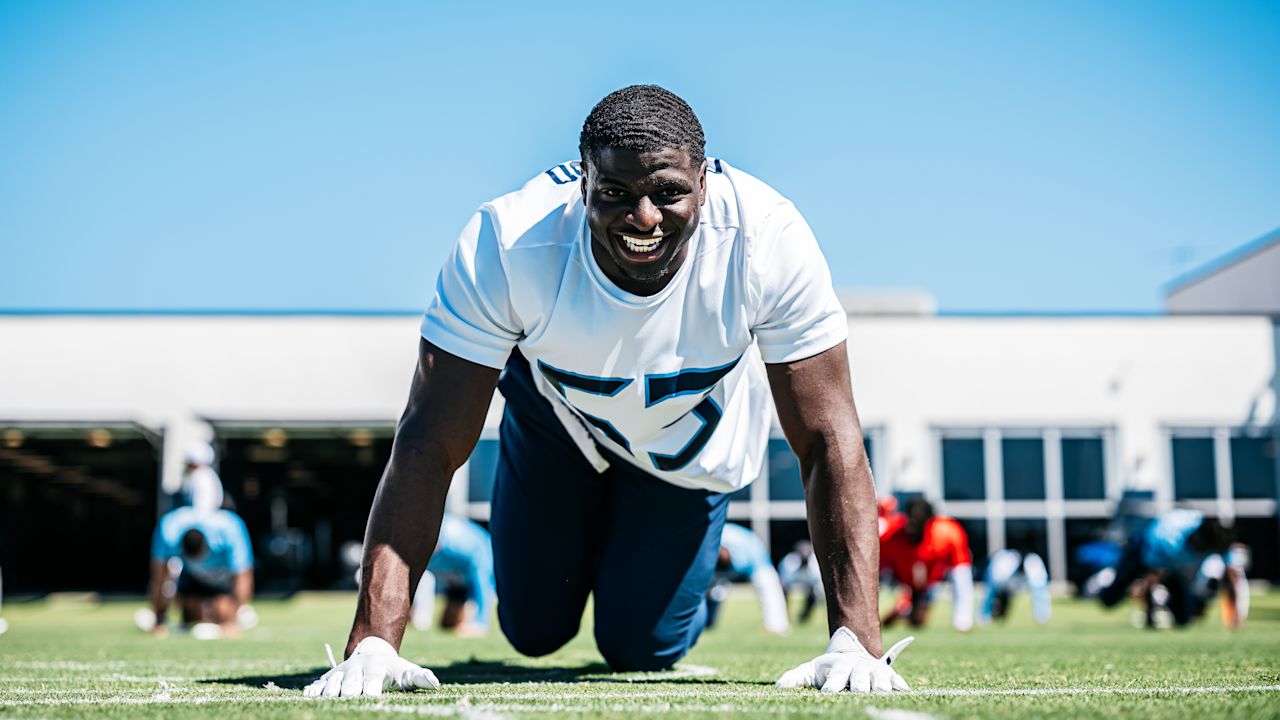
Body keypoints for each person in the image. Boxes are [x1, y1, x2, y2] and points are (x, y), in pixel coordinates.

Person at [305, 85, 910, 698]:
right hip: (561, 424)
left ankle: (687, 591)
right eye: (616, 194)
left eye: (669, 192)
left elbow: (828, 439)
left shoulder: (767, 238)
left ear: (704, 181)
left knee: (638, 649)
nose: (644, 217)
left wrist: (856, 639)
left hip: (686, 454)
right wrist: (374, 642)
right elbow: (426, 442)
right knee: (532, 630)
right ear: (583, 184)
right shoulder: (509, 241)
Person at [1097, 508, 1245, 628]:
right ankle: (1103, 582)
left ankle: (1170, 607)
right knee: (1110, 599)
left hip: (1173, 564)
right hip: (1142, 545)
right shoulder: (1169, 540)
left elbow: (1232, 576)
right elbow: (1152, 576)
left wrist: (1236, 615)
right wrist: (1150, 616)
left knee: (1183, 619)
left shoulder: (1219, 541)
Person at [142, 505, 254, 638]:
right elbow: (159, 578)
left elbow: (244, 576)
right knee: (193, 616)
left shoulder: (229, 529)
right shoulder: (168, 530)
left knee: (223, 612)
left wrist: (232, 620)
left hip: (221, 577)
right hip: (190, 576)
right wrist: (159, 618)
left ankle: (235, 614)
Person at [879, 498, 974, 632]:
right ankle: (902, 607)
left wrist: (962, 618)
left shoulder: (947, 532)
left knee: (917, 622)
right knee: (893, 621)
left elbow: (961, 572)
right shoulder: (892, 536)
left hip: (931, 583)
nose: (912, 527)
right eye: (910, 521)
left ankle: (906, 609)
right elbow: (879, 574)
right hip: (902, 582)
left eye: (917, 523)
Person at [410, 513, 495, 637]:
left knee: (461, 626)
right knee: (447, 625)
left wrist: (480, 622)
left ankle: (474, 618)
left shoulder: (459, 544)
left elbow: (483, 574)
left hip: (480, 563)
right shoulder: (417, 540)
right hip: (455, 575)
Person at [705, 523, 789, 634]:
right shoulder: (710, 540)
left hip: (755, 561)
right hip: (719, 566)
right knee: (715, 591)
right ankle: (707, 623)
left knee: (768, 585)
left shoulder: (740, 543)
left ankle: (776, 626)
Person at [977, 549, 1051, 625]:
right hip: (1003, 577)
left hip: (1015, 576)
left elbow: (1040, 590)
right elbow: (991, 587)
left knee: (1039, 592)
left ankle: (1042, 617)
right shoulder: (1001, 563)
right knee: (991, 591)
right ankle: (985, 616)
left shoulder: (1033, 563)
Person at [777, 540, 824, 624]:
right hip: (794, 579)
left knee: (814, 593)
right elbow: (784, 580)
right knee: (782, 590)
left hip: (810, 582)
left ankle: (805, 615)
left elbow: (818, 581)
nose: (804, 554)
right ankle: (784, 614)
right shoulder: (789, 561)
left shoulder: (815, 562)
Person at [179, 441, 224, 513]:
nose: (187, 467)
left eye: (190, 463)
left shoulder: (200, 476)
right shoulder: (208, 474)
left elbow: (201, 508)